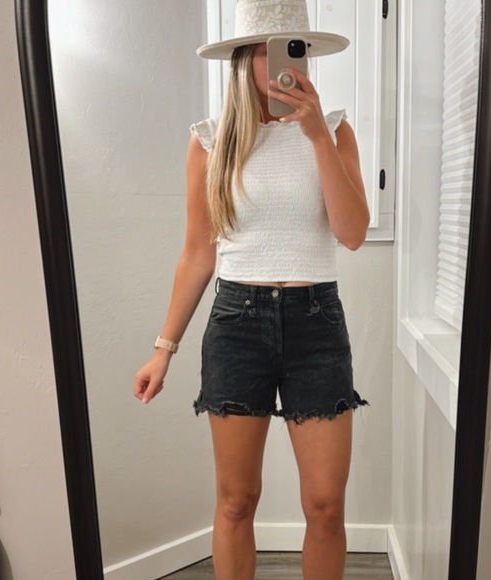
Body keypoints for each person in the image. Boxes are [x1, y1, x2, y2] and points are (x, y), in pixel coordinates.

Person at [133, 1, 370, 578]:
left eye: (292, 49)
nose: (280, 63)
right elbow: (198, 254)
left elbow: (353, 233)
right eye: (265, 51)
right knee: (237, 501)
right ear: (242, 59)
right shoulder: (210, 142)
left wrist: (316, 137)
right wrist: (163, 349)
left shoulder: (335, 130)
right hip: (238, 324)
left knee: (326, 506)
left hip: (317, 324)